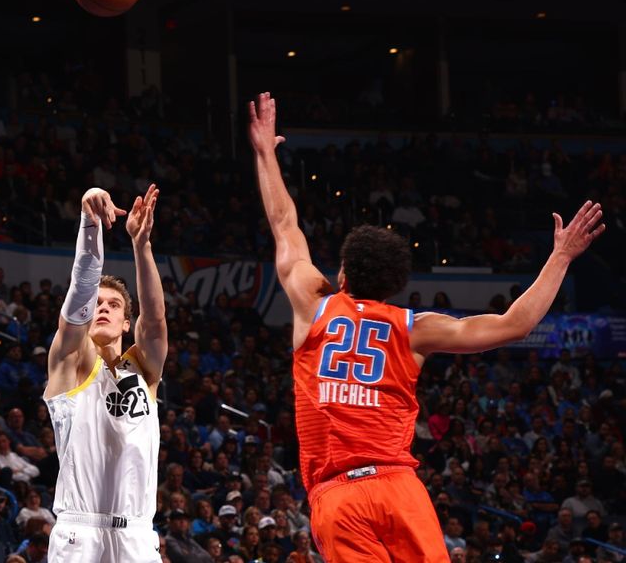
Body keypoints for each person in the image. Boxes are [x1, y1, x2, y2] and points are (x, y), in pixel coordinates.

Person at [247, 91, 606, 562]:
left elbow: (283, 222)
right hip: (399, 487)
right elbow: (514, 324)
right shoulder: (415, 327)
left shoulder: (312, 304)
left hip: (338, 493)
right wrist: (560, 258)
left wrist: (265, 153)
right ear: (393, 285)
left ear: (342, 274)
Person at [44, 184, 167, 562]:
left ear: (126, 322)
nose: (103, 308)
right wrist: (90, 226)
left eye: (113, 304)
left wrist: (141, 245)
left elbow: (156, 320)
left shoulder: (143, 369)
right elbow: (79, 294)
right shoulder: (71, 360)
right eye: (97, 303)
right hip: (81, 532)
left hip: (137, 534)